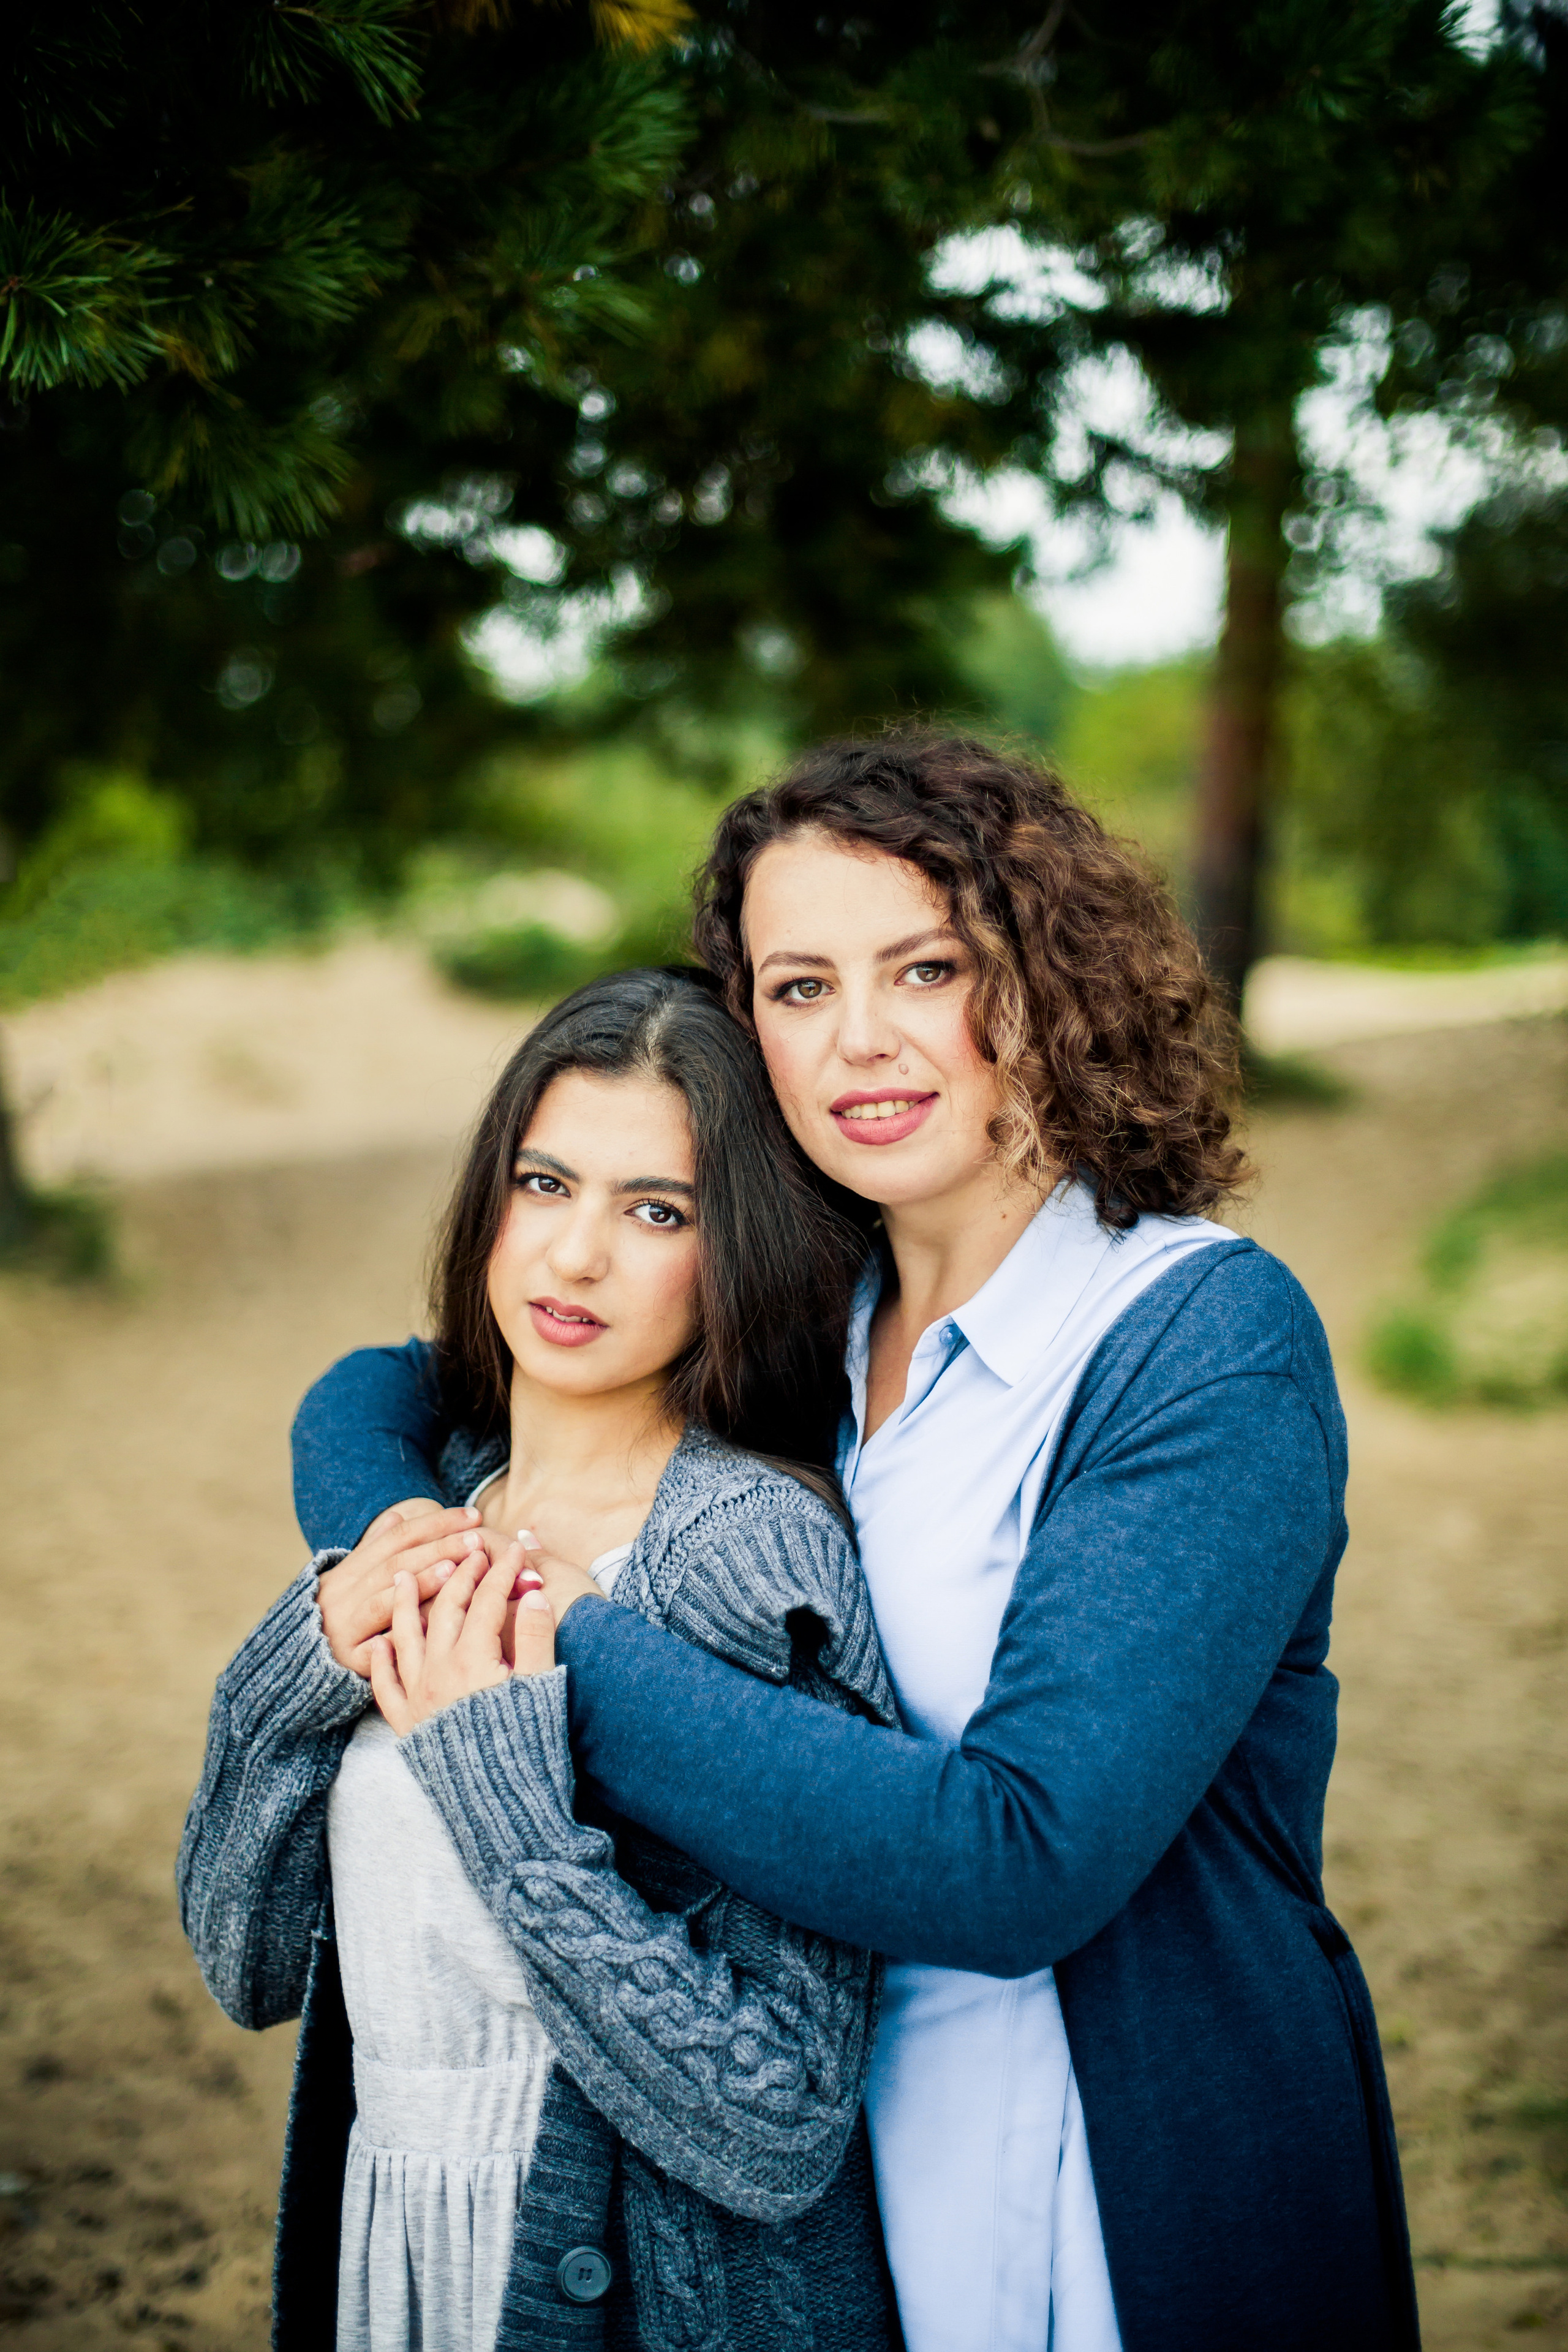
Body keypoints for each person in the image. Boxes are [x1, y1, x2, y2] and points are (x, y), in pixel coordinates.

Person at [293, 734, 1422, 2352]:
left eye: (926, 968)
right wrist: (400, 1543)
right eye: (799, 986)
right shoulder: (799, 1322)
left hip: (1122, 2193)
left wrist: (536, 1633)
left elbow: (1018, 1863)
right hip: (813, 2214)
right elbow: (389, 1389)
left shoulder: (1199, 1339)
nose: (862, 1042)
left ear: (1049, 977)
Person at [178, 967, 907, 2352]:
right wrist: (304, 1663)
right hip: (391, 2244)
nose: (575, 1259)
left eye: (655, 1213)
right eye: (543, 1184)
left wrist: (498, 1784)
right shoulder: (435, 1504)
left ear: (735, 1247)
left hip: (644, 2295)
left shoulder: (749, 1561)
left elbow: (779, 2122)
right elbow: (246, 1965)